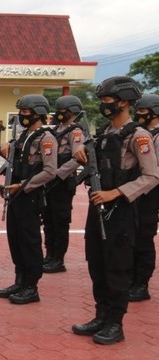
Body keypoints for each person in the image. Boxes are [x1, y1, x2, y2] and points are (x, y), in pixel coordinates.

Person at [72, 76, 159, 344]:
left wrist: (117, 192)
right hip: (98, 206)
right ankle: (101, 315)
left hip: (121, 210)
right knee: (97, 263)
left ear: (123, 102)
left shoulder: (139, 135)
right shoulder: (104, 132)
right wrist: (80, 152)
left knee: (117, 267)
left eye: (107, 100)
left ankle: (115, 323)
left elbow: (152, 176)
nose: (103, 105)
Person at [0, 94, 57, 305]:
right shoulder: (23, 136)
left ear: (38, 114)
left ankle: (31, 286)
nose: (22, 116)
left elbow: (49, 171)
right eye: (21, 112)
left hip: (29, 195)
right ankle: (20, 280)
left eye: (26, 112)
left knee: (29, 241)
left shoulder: (45, 138)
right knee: (16, 239)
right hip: (15, 195)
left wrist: (23, 186)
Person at [41, 95, 85, 273]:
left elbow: (78, 158)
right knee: (48, 220)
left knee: (60, 221)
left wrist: (57, 174)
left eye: (63, 111)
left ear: (72, 112)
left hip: (62, 182)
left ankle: (58, 259)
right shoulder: (56, 130)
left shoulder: (76, 132)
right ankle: (49, 255)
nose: (59, 114)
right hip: (49, 181)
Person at [129, 93, 159, 302]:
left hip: (151, 193)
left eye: (141, 111)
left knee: (144, 238)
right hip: (136, 191)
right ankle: (132, 278)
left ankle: (141, 284)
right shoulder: (139, 133)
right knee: (132, 236)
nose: (137, 114)